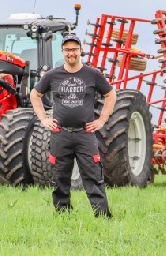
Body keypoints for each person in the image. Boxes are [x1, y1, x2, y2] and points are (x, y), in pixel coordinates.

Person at [30, 34, 116, 219]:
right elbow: (35, 94)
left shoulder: (92, 74)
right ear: (63, 51)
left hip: (85, 134)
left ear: (80, 51)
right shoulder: (53, 75)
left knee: (93, 177)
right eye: (68, 50)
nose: (71, 53)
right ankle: (63, 216)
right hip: (60, 135)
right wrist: (44, 119)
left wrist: (101, 120)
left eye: (75, 49)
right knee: (60, 178)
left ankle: (102, 217)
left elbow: (110, 95)